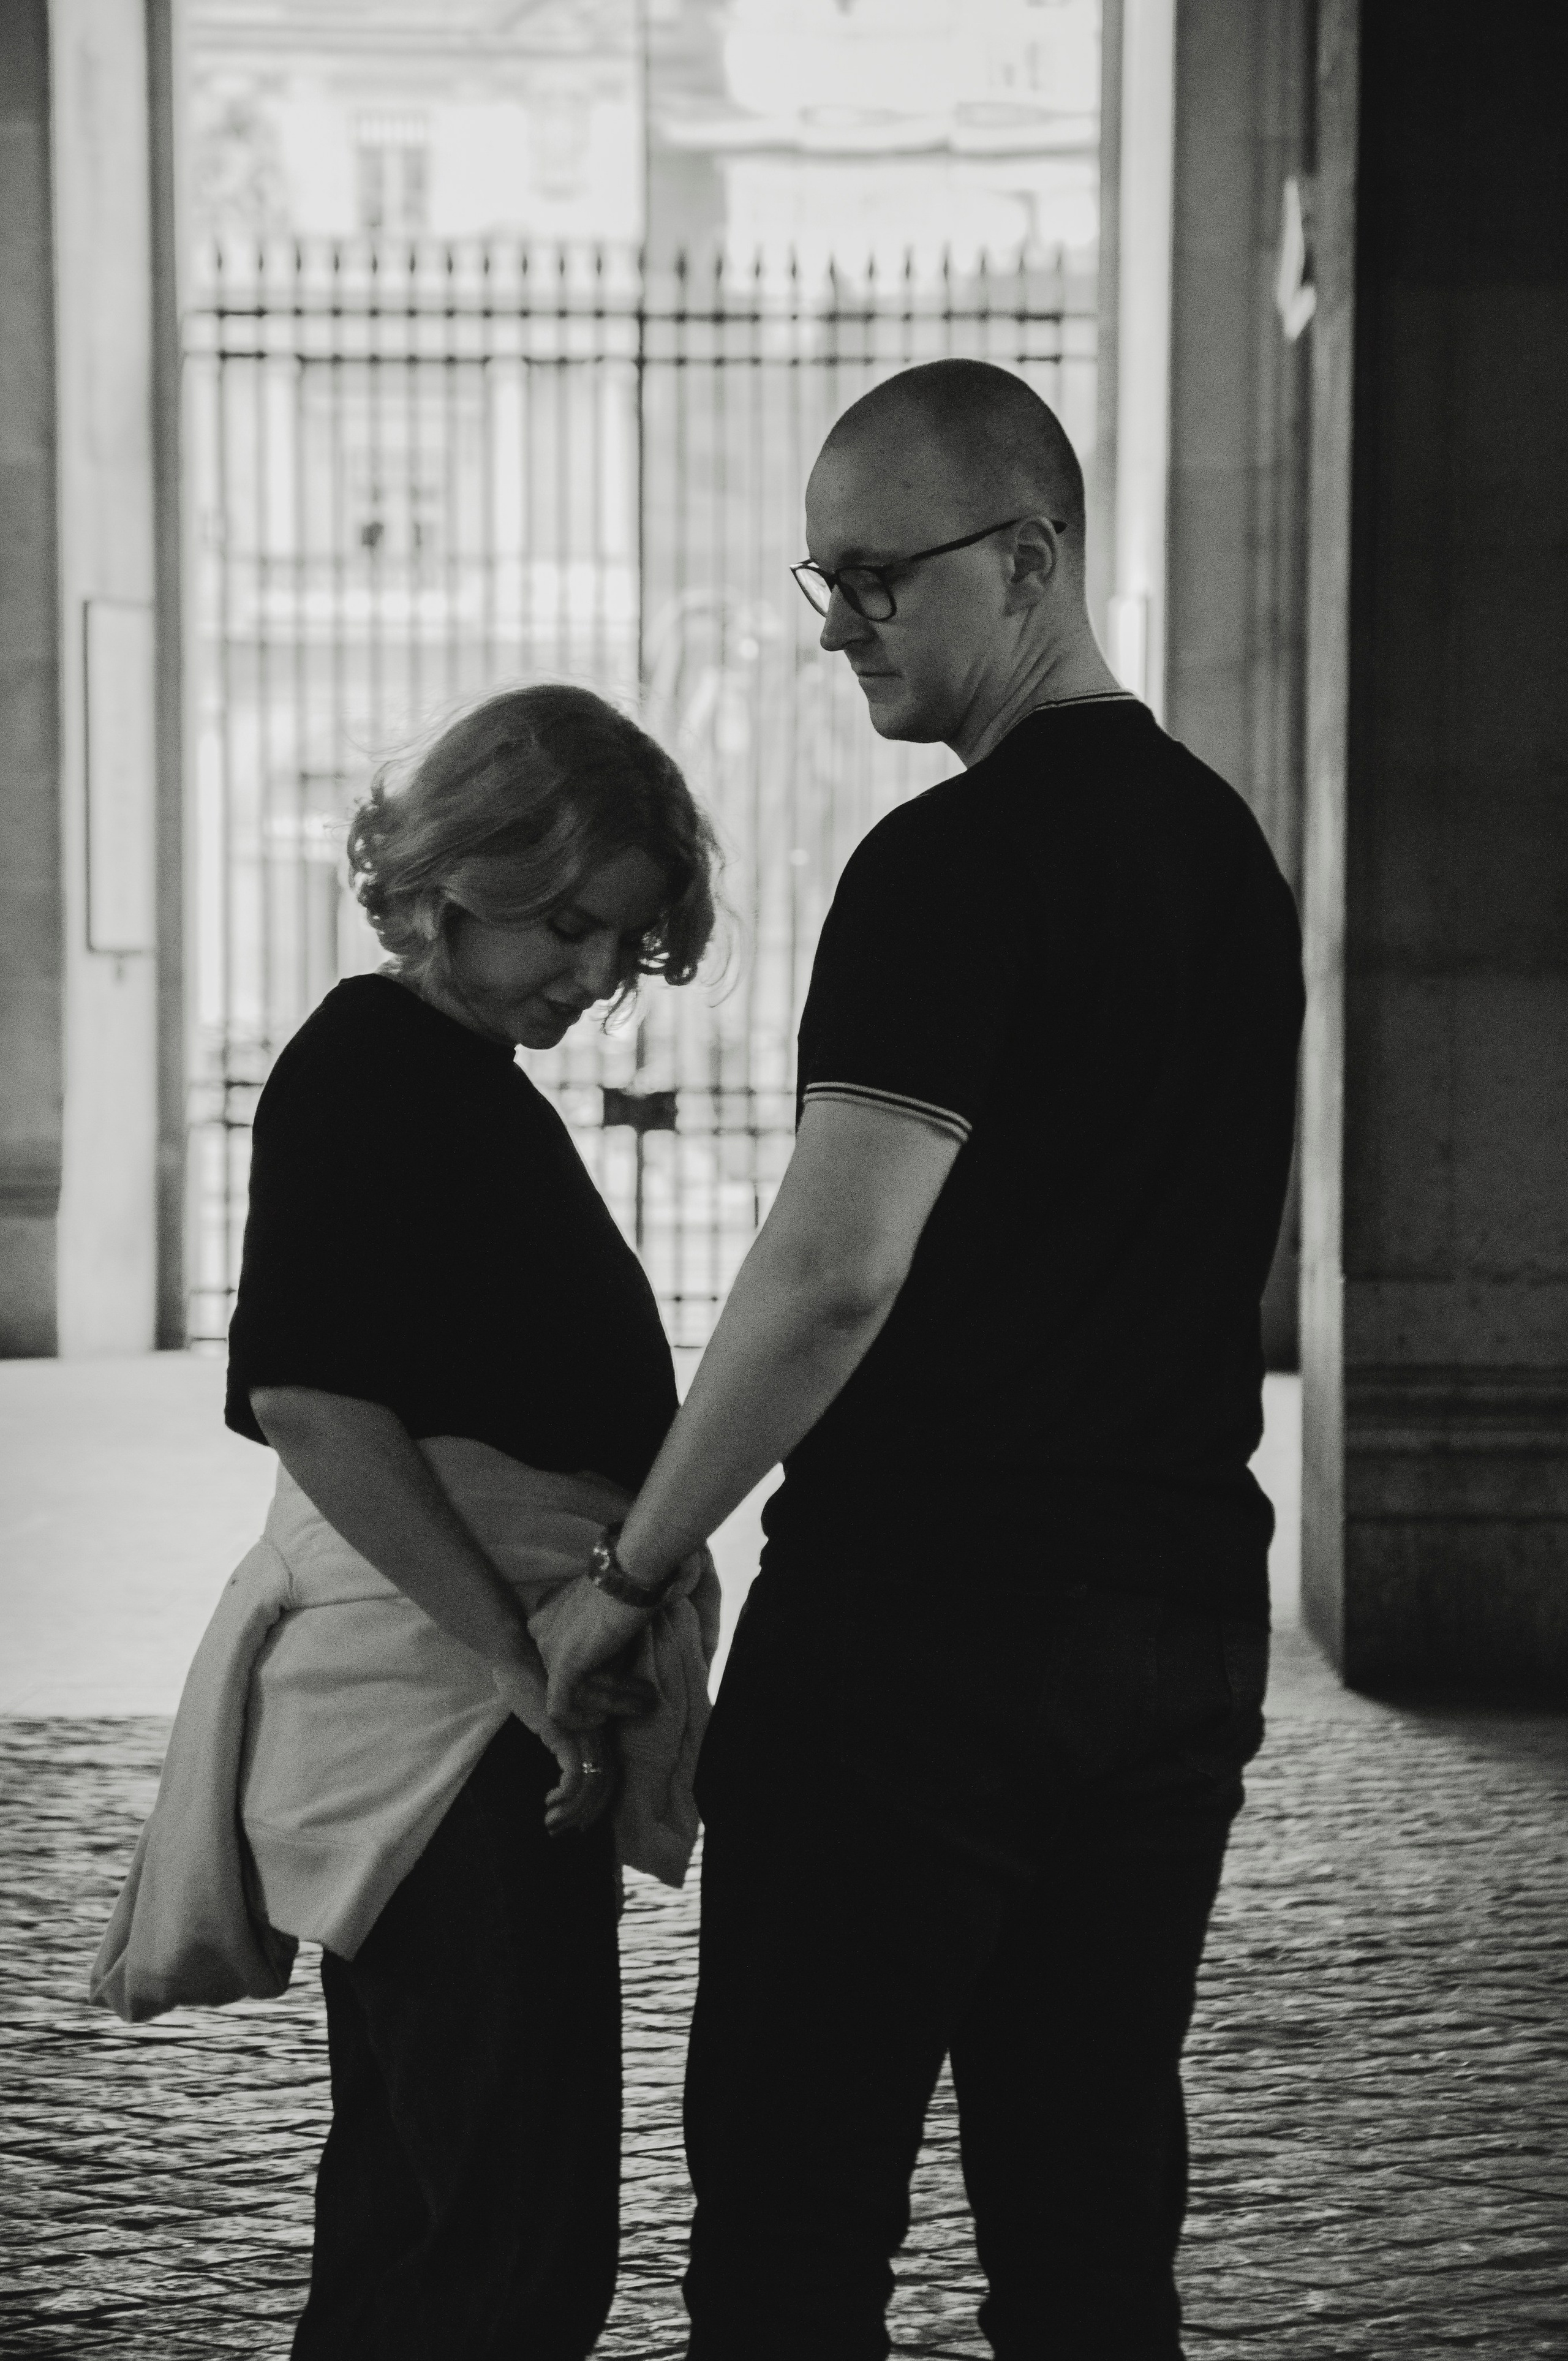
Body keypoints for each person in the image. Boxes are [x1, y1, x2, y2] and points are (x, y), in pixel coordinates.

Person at [541, 360, 1306, 2359]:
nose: (838, 630)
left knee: (793, 2235)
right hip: (1175, 1629)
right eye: (825, 584)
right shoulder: (1229, 857)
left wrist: (634, 1571)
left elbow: (831, 1275)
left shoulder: (949, 866)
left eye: (878, 581)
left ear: (1029, 557)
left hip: (922, 1641)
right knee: (1086, 2223)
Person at [224, 682, 720, 2357]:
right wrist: (518, 1660)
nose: (592, 975)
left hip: (481, 1712)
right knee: (500, 2246)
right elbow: (313, 1400)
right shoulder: (374, 1062)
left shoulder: (442, 1072)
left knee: (433, 2222)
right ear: (459, 872)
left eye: (626, 945)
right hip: (454, 1725)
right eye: (571, 924)